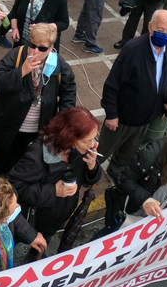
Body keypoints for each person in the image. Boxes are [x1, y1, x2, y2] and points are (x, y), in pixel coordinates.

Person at [0, 24, 77, 178]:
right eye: (32, 45)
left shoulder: (59, 65)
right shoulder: (17, 55)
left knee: (21, 158)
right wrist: (22, 71)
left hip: (36, 127)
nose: (35, 51)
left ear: (51, 47)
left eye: (42, 48)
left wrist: (61, 124)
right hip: (9, 122)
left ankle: (12, 182)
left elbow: (69, 94)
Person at [100, 10, 167, 179]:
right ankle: (87, 173)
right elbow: (112, 84)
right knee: (103, 149)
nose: (165, 35)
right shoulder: (133, 49)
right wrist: (111, 114)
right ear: (150, 27)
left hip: (144, 119)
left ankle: (115, 173)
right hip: (122, 118)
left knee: (127, 152)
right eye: (161, 30)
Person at [7, 107, 99, 251]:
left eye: (94, 138)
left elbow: (89, 181)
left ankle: (35, 255)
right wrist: (53, 191)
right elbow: (14, 186)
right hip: (33, 221)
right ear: (70, 136)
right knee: (13, 248)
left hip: (57, 218)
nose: (92, 144)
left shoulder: (81, 151)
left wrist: (92, 167)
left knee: (43, 245)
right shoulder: (36, 156)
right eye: (87, 140)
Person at [97, 120, 167, 237]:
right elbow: (124, 179)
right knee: (107, 237)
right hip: (131, 212)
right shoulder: (150, 154)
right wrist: (145, 200)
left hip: (152, 221)